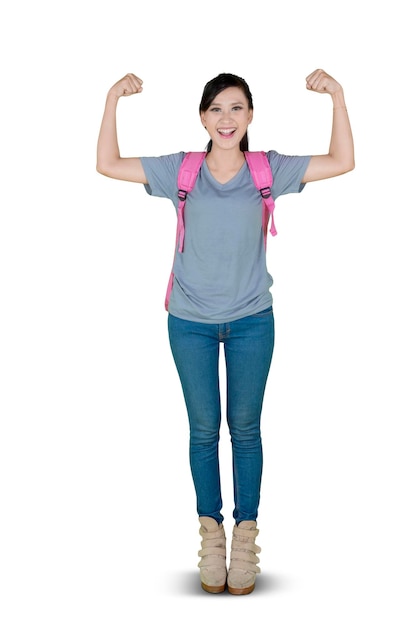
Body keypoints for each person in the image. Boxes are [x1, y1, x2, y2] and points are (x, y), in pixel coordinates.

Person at [96, 68, 354, 595]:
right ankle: (210, 536)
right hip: (188, 323)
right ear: (202, 118)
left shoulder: (268, 170)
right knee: (202, 430)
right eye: (216, 109)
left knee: (246, 429)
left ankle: (245, 539)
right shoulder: (180, 171)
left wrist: (339, 98)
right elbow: (106, 164)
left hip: (251, 322)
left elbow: (344, 162)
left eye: (236, 108)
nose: (226, 118)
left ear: (251, 116)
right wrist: (110, 101)